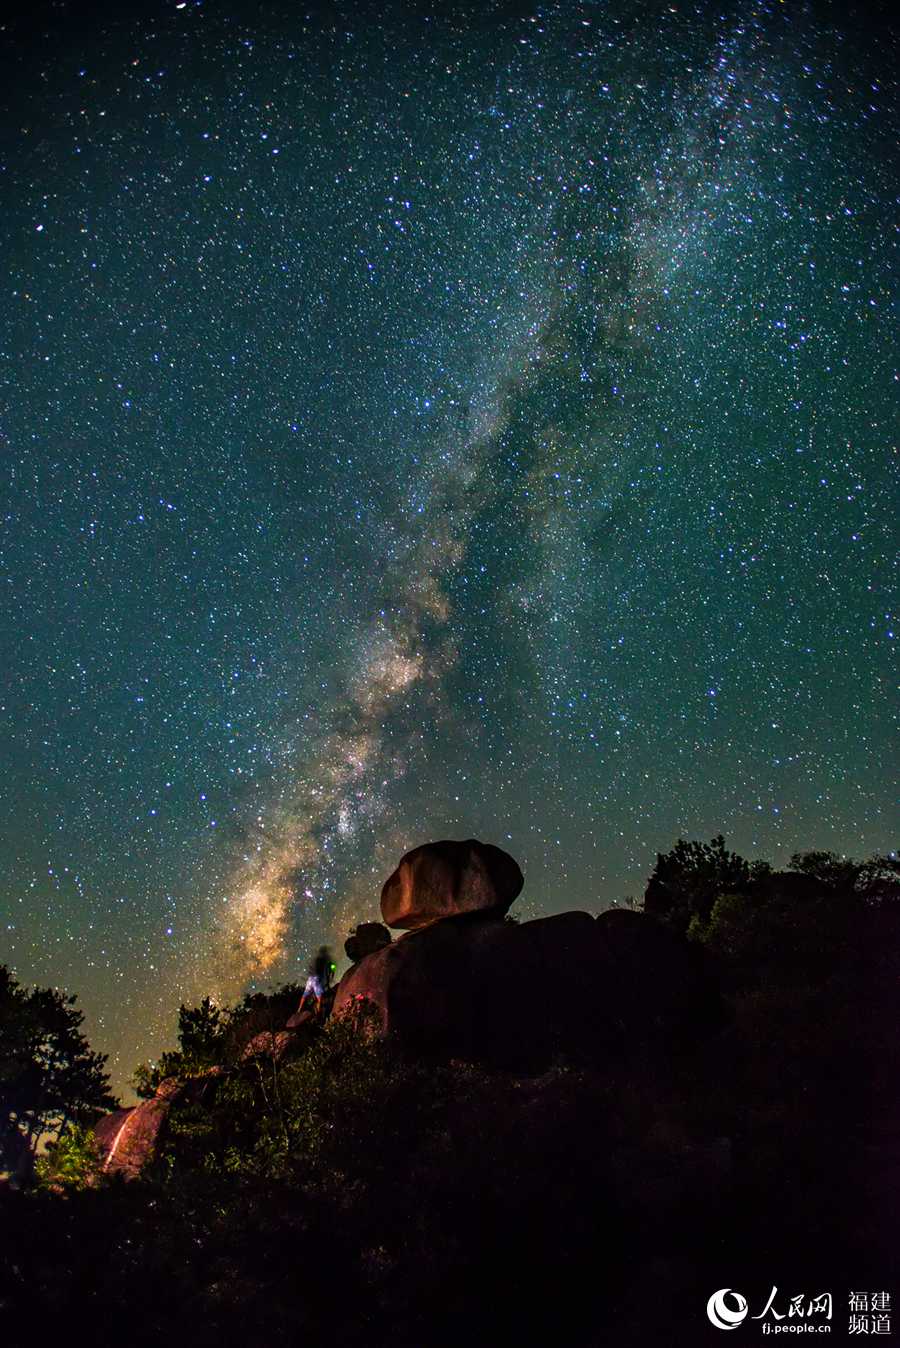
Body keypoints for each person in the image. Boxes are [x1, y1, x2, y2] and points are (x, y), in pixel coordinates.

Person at [298, 945, 336, 1016]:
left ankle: (299, 1010)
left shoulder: (317, 959)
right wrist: (331, 975)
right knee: (319, 998)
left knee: (305, 995)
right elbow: (331, 968)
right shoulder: (325, 959)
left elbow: (312, 969)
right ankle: (319, 1013)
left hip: (310, 979)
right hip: (316, 979)